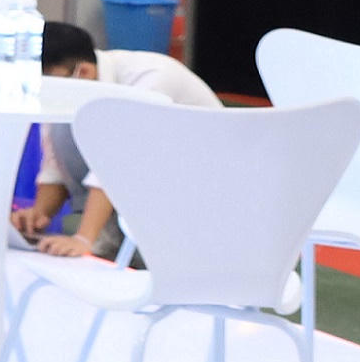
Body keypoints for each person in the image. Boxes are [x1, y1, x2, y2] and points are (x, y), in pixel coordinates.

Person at [12, 18, 219, 259]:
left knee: (100, 139)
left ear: (83, 72)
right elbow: (54, 162)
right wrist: (38, 215)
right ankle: (104, 235)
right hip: (148, 186)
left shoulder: (150, 79)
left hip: (200, 193)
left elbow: (120, 159)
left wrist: (83, 239)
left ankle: (104, 237)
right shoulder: (70, 90)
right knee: (62, 126)